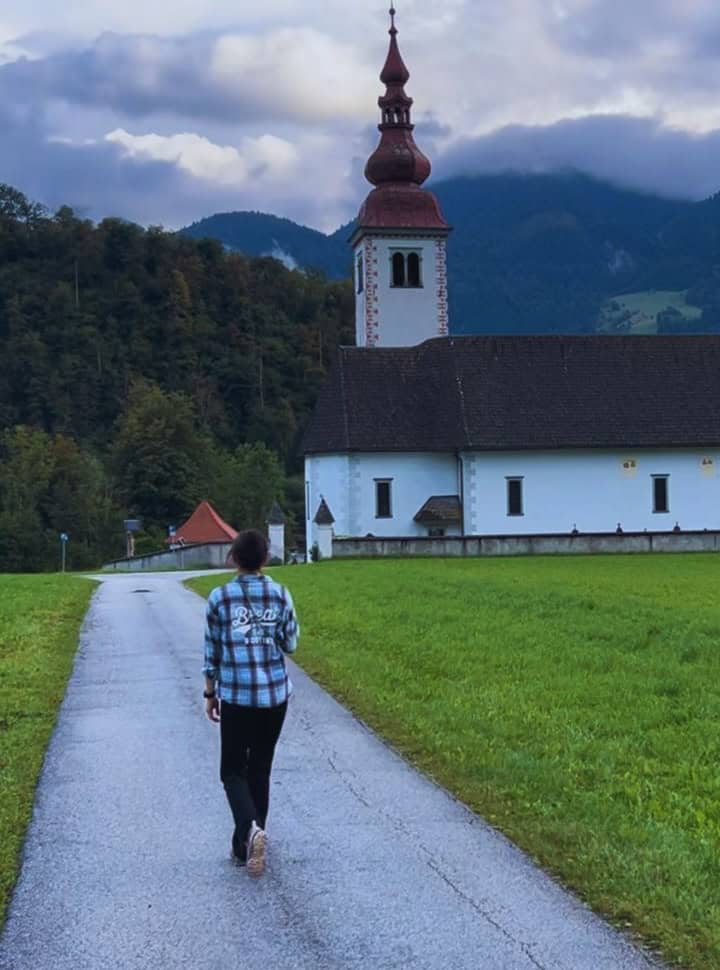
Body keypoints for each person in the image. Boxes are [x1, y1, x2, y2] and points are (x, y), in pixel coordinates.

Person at [202, 528, 299, 877]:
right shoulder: (280, 593)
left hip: (239, 696)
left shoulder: (220, 598)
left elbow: (211, 651)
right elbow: (290, 643)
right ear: (266, 559)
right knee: (260, 767)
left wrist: (210, 693)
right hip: (274, 695)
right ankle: (245, 843)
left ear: (232, 558)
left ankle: (249, 832)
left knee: (231, 769)